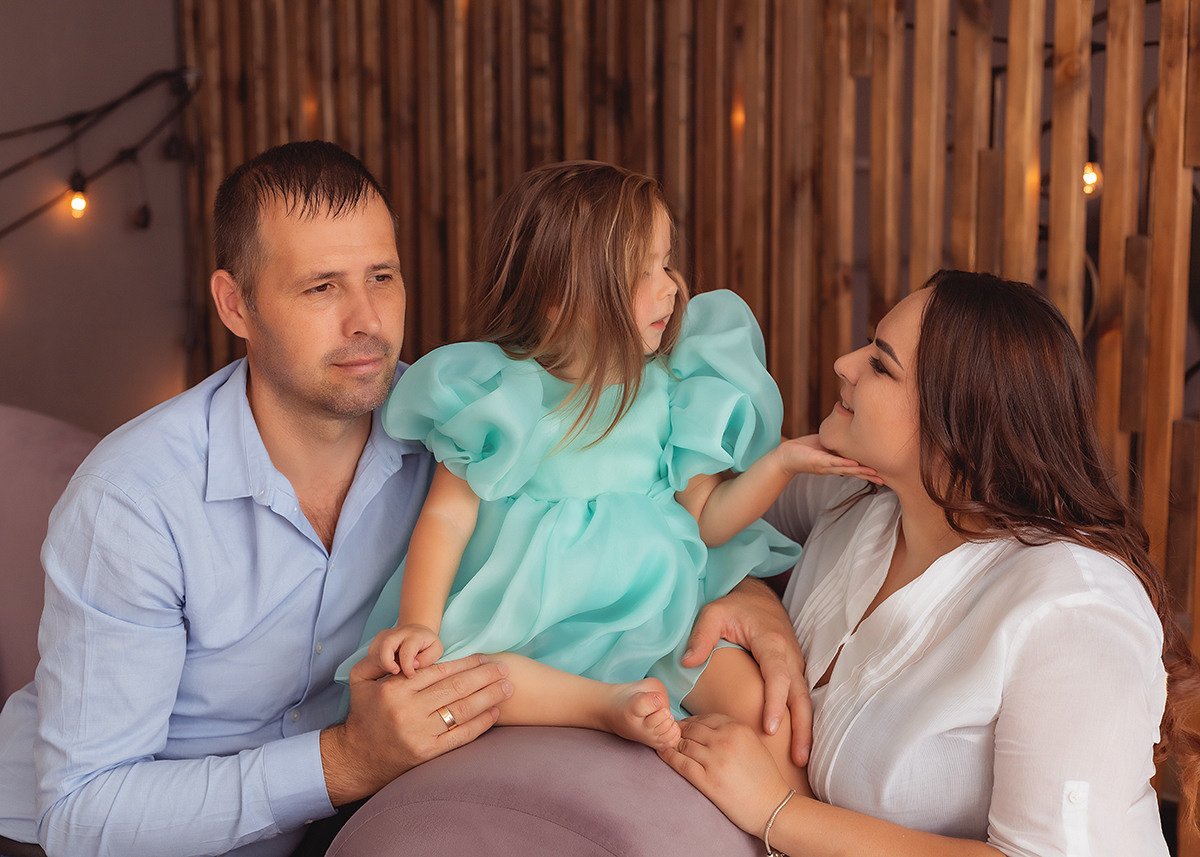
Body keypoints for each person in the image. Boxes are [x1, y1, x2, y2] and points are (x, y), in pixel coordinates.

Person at [0, 141, 517, 857]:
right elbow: (83, 814)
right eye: (321, 287)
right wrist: (346, 761)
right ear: (235, 304)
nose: (367, 320)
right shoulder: (133, 500)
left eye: (382, 277)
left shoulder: (453, 438)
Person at [341, 160, 877, 793]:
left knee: (766, 716)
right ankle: (600, 705)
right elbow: (448, 516)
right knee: (468, 681)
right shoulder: (501, 394)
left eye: (667, 263)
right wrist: (419, 622)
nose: (670, 287)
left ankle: (787, 815)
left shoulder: (672, 388)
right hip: (537, 620)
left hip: (659, 614)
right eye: (642, 271)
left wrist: (780, 463)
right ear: (560, 296)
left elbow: (706, 522)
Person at [660, 269, 1200, 856]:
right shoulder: (856, 497)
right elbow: (700, 525)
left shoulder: (1072, 609)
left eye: (881, 364)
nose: (844, 363)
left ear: (957, 427)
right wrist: (753, 602)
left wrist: (779, 811)